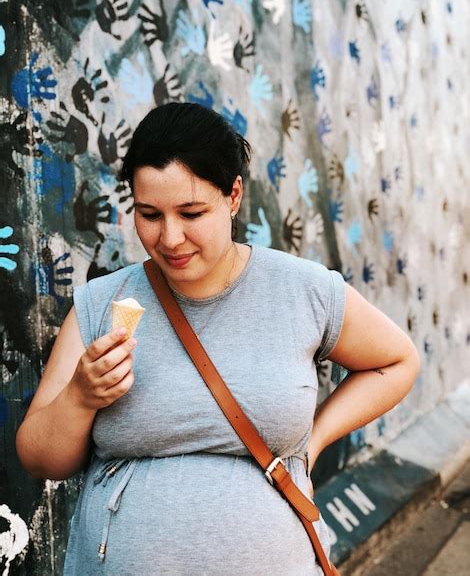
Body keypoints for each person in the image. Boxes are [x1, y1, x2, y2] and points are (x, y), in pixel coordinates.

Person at [16, 103, 420, 575]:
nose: (170, 238)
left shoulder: (301, 289)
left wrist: (312, 443)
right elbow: (40, 459)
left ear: (233, 196)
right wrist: (81, 397)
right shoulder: (102, 304)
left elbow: (396, 362)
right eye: (149, 214)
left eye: (191, 213)